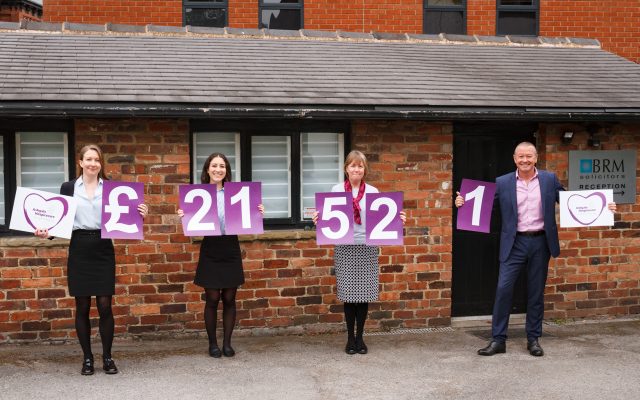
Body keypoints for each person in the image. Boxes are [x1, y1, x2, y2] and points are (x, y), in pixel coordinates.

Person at [455, 142, 616, 357]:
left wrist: (604, 206)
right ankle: (498, 340)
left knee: (535, 293)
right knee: (503, 290)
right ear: (514, 159)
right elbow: (482, 205)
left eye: (529, 156)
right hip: (514, 243)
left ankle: (533, 339)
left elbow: (570, 202)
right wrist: (462, 202)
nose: (525, 160)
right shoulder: (502, 182)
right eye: (521, 156)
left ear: (536, 157)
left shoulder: (549, 180)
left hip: (541, 242)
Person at [35, 144, 149, 375]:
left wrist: (140, 215)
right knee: (82, 305)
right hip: (79, 247)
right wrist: (48, 234)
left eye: (96, 160)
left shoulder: (111, 188)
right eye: (88, 159)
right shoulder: (68, 187)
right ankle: (87, 358)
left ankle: (107, 357)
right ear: (80, 162)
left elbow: (125, 219)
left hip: (103, 247)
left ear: (100, 163)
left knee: (105, 305)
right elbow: (60, 221)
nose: (92, 164)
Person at [314, 150, 406, 355]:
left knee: (363, 296)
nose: (356, 169)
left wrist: (398, 221)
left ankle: (360, 337)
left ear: (364, 170)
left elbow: (383, 219)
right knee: (348, 296)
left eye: (360, 166)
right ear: (346, 168)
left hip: (367, 247)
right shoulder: (336, 190)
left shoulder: (373, 192)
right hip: (345, 247)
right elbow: (329, 220)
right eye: (353, 165)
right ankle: (349, 339)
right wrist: (318, 221)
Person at [178, 152, 264, 358]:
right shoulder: (198, 195)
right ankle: (212, 344)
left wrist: (257, 210)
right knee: (212, 298)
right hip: (211, 247)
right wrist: (184, 215)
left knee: (229, 297)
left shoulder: (235, 194)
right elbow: (193, 224)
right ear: (207, 169)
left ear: (227, 171)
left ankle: (227, 343)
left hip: (230, 246)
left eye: (222, 166)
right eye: (214, 165)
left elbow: (247, 218)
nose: (218, 169)